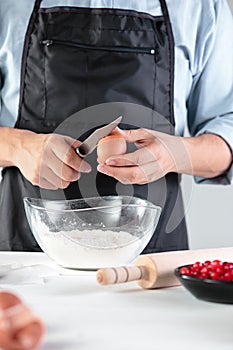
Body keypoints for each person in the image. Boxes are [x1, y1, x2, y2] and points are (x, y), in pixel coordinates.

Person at [0, 0, 232, 253]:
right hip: (27, 253)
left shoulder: (197, 6)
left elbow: (226, 136)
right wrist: (18, 147)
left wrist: (173, 155)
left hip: (149, 258)